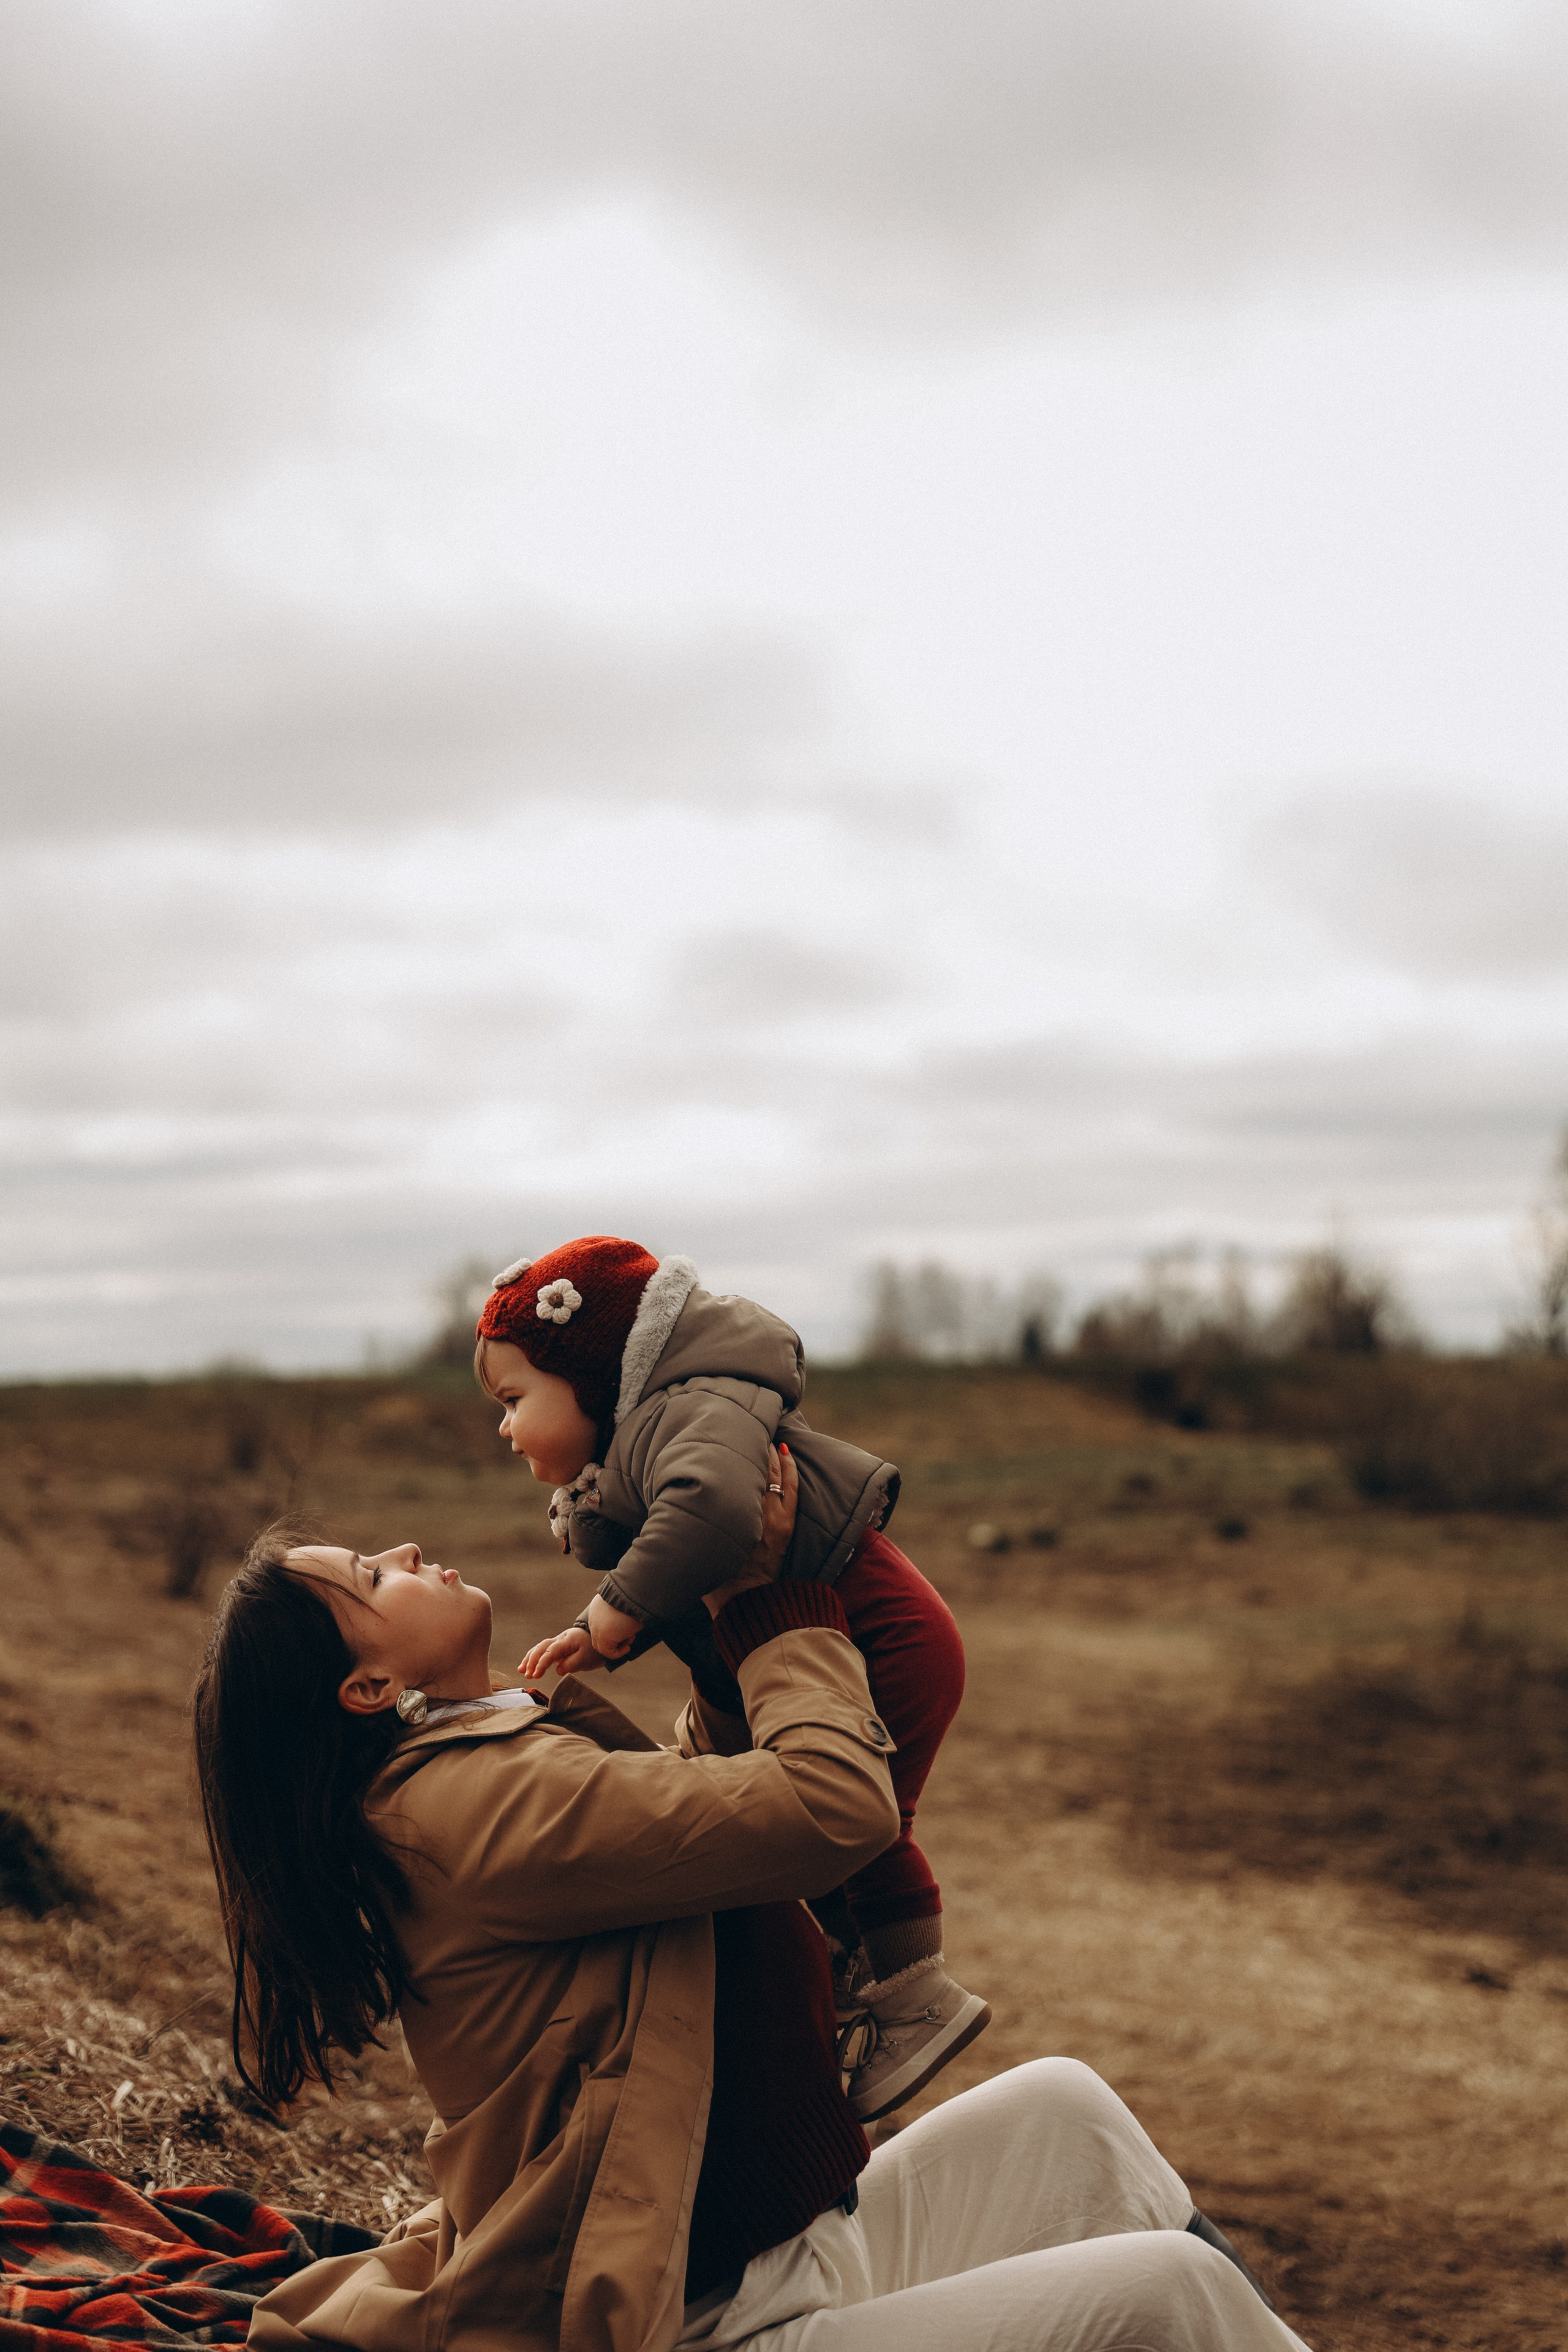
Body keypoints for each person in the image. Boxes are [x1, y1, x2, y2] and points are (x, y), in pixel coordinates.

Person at [192, 1464, 1306, 2352]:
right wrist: (768, 1606)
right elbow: (831, 1806)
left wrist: (703, 1602)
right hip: (703, 2315)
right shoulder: (473, 1807)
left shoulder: (490, 1749)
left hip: (784, 2239)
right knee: (1170, 2295)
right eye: (371, 1581)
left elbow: (690, 1806)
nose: (400, 1553)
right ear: (370, 1690)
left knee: (1071, 2117)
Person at [472, 1235, 982, 2122]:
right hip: (825, 1646)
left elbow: (710, 1510)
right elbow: (667, 1561)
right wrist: (601, 1632)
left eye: (516, 1400)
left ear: (594, 1375)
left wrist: (610, 1614)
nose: (505, 1426)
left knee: (847, 1823)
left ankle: (913, 1996)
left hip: (883, 1637)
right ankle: (840, 1985)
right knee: (796, 1829)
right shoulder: (642, 1441)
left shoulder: (689, 1412)